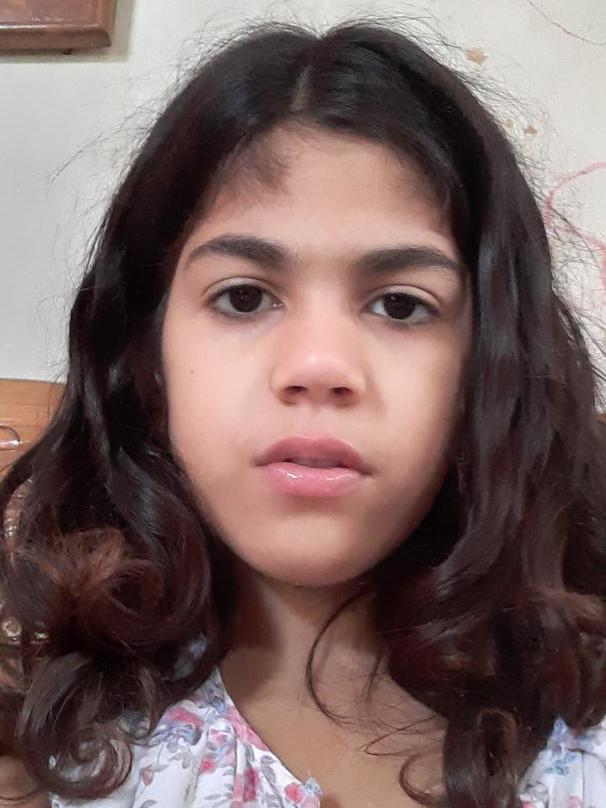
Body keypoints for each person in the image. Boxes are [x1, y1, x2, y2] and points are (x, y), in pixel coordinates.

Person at [1, 14, 605, 808]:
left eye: (400, 305)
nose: (318, 367)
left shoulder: (581, 728)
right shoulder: (57, 734)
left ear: (490, 363)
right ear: (145, 359)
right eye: (244, 297)